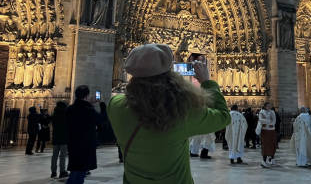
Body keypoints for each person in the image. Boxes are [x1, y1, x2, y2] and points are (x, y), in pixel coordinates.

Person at [107, 44, 231, 183]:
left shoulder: (115, 107)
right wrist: (207, 82)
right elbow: (223, 117)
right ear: (169, 76)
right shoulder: (182, 112)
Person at [65, 85, 107, 184]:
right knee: (79, 176)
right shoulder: (88, 111)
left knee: (73, 173)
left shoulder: (69, 109)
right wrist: (102, 103)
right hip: (85, 146)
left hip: (73, 144)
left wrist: (90, 105)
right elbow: (103, 118)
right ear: (87, 96)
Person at [51, 101, 69, 178]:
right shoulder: (66, 115)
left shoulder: (54, 115)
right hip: (64, 137)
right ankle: (62, 171)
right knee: (63, 155)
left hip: (55, 136)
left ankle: (53, 172)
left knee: (54, 155)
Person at [259, 102, 277, 168]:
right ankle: (264, 161)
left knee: (272, 144)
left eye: (270, 106)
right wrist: (268, 120)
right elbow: (261, 120)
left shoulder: (272, 112)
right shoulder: (261, 112)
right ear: (265, 106)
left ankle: (272, 158)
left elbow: (274, 121)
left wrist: (266, 120)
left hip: (271, 130)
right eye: (268, 106)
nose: (270, 107)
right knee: (265, 145)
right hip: (264, 130)